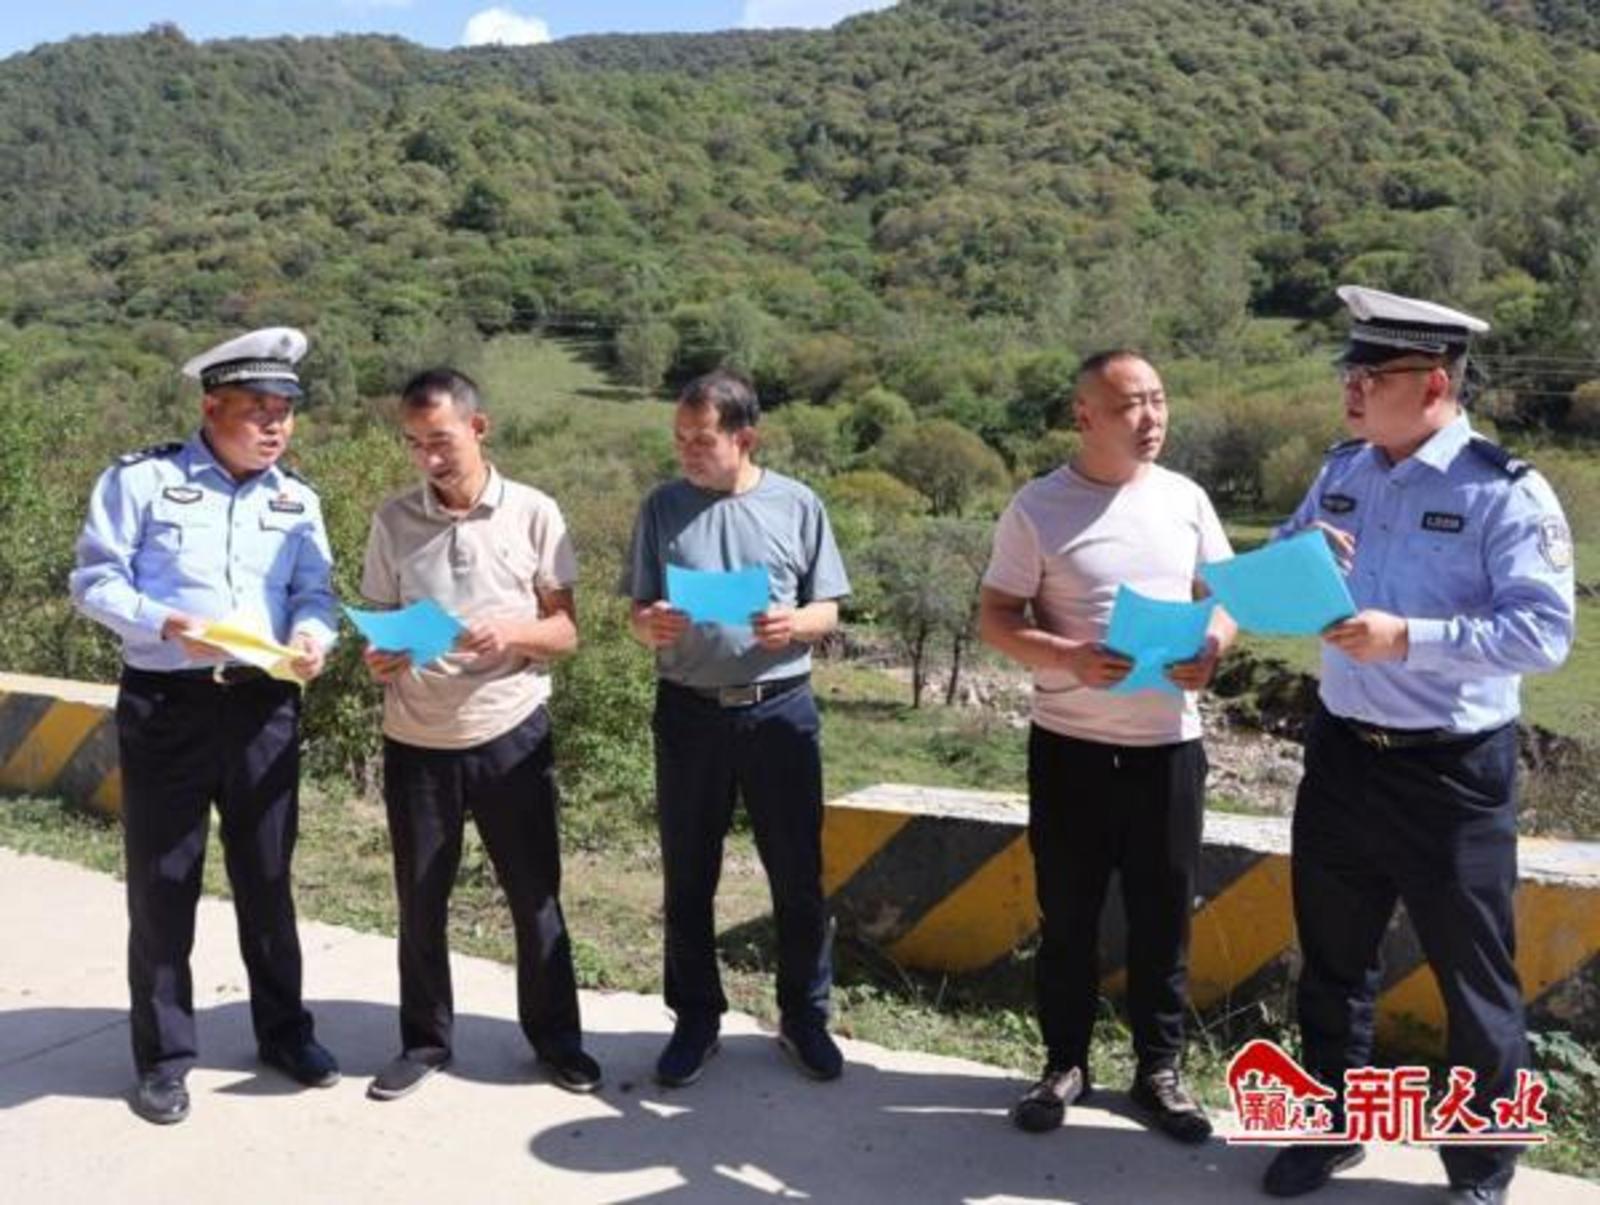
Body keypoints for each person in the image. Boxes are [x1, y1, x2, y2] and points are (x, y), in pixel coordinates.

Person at [1261, 287, 1574, 1205]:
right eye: (1349, 371)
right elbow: (1283, 559)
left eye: (1372, 374)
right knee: (1333, 960)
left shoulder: (1503, 490)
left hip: (1451, 770)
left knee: (1474, 978)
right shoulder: (1344, 468)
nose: (1350, 388)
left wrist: (1409, 638)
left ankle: (1481, 1165)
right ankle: (1331, 1127)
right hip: (1343, 753)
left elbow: (1543, 633)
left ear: (1434, 383)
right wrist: (1297, 557)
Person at [70, 327, 340, 1125]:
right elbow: (94, 580)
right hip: (168, 705)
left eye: (285, 410)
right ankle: (164, 1058)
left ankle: (285, 1033)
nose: (275, 424)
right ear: (211, 406)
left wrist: (313, 637)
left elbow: (315, 592)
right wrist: (163, 621)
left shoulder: (298, 499)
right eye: (257, 408)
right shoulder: (142, 480)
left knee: (268, 877)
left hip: (264, 706)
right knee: (164, 883)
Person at [978, 349, 1235, 1145]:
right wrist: (1068, 656)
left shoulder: (1186, 498)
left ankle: (1160, 1071)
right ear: (1085, 415)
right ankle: (1064, 1063)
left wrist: (1214, 646)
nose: (1150, 418)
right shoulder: (1037, 506)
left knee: (1165, 917)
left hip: (1168, 748)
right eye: (1130, 404)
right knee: (1069, 916)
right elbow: (995, 615)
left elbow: (1224, 597)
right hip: (1071, 748)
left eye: (1158, 399)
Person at [358, 368, 600, 1100]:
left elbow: (566, 631)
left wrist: (514, 631)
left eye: (440, 440)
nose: (428, 458)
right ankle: (425, 1042)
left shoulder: (533, 511)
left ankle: (557, 1042)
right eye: (414, 444)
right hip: (416, 738)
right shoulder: (392, 520)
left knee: (535, 896)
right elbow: (379, 630)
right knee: (419, 900)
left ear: (479, 428)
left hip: (510, 734)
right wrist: (380, 656)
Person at [621, 369, 851, 1087]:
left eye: (702, 439)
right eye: (680, 438)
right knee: (689, 873)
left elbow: (829, 609)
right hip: (688, 710)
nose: (687, 451)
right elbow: (637, 611)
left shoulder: (798, 503)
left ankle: (804, 1017)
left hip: (779, 708)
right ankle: (695, 1019)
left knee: (797, 873)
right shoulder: (661, 507)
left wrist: (795, 623)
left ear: (744, 438)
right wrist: (649, 623)